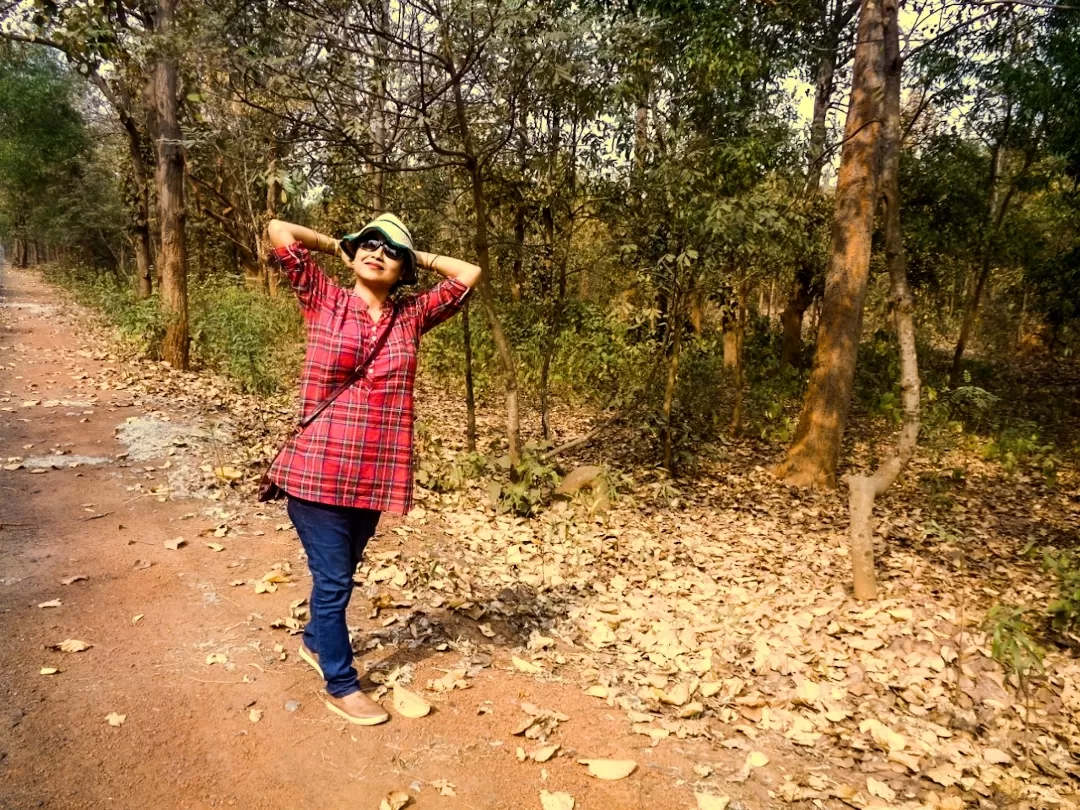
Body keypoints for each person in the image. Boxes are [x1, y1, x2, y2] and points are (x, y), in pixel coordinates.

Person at [265, 214, 481, 725]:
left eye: (390, 250)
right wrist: (341, 246)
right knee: (336, 581)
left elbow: (468, 273)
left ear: (404, 268)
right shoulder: (324, 299)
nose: (375, 252)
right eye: (368, 244)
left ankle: (317, 641)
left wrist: (414, 253)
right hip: (317, 467)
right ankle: (341, 683)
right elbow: (279, 230)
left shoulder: (411, 317)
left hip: (374, 471)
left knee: (340, 574)